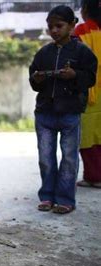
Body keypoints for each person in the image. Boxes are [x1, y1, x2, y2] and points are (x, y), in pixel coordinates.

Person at [29, 5, 97, 214]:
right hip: (45, 113)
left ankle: (66, 199)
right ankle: (47, 196)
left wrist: (75, 75)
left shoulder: (83, 52)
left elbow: (90, 79)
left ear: (72, 25)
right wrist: (36, 78)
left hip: (70, 113)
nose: (54, 31)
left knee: (69, 158)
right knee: (46, 158)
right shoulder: (44, 53)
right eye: (51, 27)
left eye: (59, 26)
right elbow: (33, 80)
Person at [74, 0, 101, 188]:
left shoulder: (82, 31)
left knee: (87, 136)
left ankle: (94, 176)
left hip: (90, 92)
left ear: (84, 11)